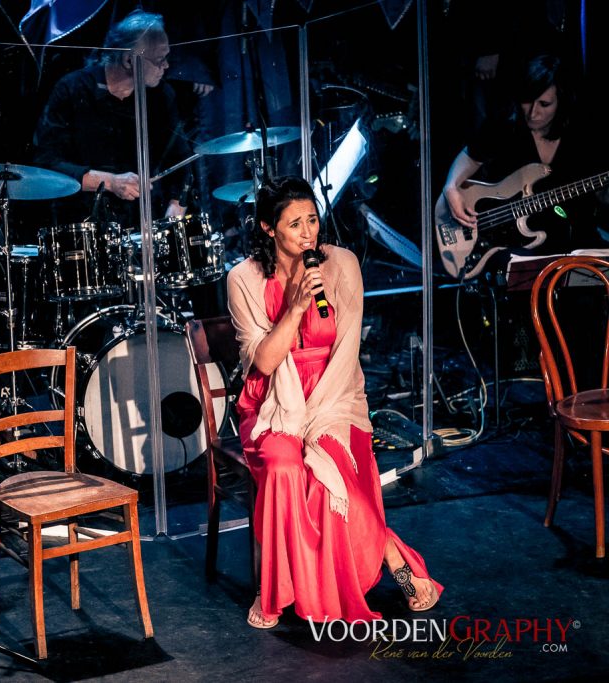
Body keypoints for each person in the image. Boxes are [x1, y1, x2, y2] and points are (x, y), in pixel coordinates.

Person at [227, 176, 441, 629]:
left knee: (331, 471)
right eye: (294, 224)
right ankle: (275, 591)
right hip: (273, 402)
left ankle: (381, 563)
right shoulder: (243, 279)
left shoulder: (341, 263)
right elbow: (263, 363)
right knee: (285, 467)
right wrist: (296, 308)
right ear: (269, 228)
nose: (308, 233)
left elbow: (346, 354)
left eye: (312, 219)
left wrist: (317, 424)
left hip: (335, 393)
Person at [33, 9, 192, 227]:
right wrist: (111, 182)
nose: (166, 66)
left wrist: (175, 207)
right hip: (81, 223)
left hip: (143, 224)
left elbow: (181, 159)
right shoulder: (72, 89)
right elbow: (47, 163)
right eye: (159, 59)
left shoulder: (162, 96)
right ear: (128, 60)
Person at [441, 54, 608, 258]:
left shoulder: (582, 134)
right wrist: (451, 187)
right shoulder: (507, 125)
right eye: (528, 101)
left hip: (570, 240)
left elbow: (599, 198)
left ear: (561, 101)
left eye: (544, 104)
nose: (533, 113)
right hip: (507, 246)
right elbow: (471, 155)